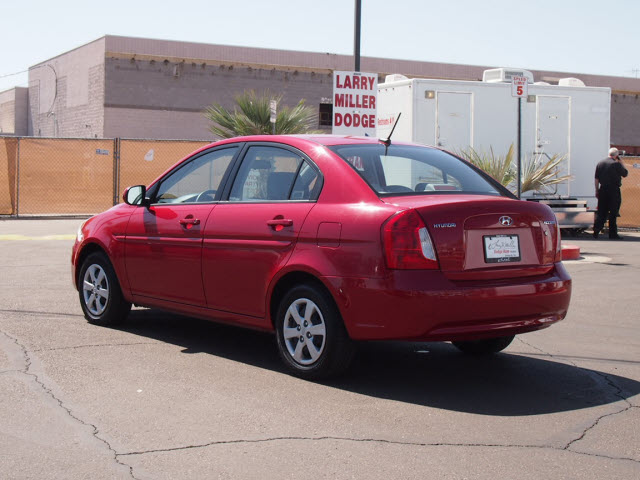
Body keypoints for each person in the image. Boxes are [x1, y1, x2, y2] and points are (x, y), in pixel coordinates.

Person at [593, 147, 628, 240]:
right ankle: (613, 234)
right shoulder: (616, 164)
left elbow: (596, 179)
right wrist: (621, 162)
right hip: (614, 191)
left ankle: (596, 230)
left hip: (603, 189)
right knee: (613, 212)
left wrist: (597, 190)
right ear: (616, 155)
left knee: (601, 211)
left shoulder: (600, 163)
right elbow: (625, 173)